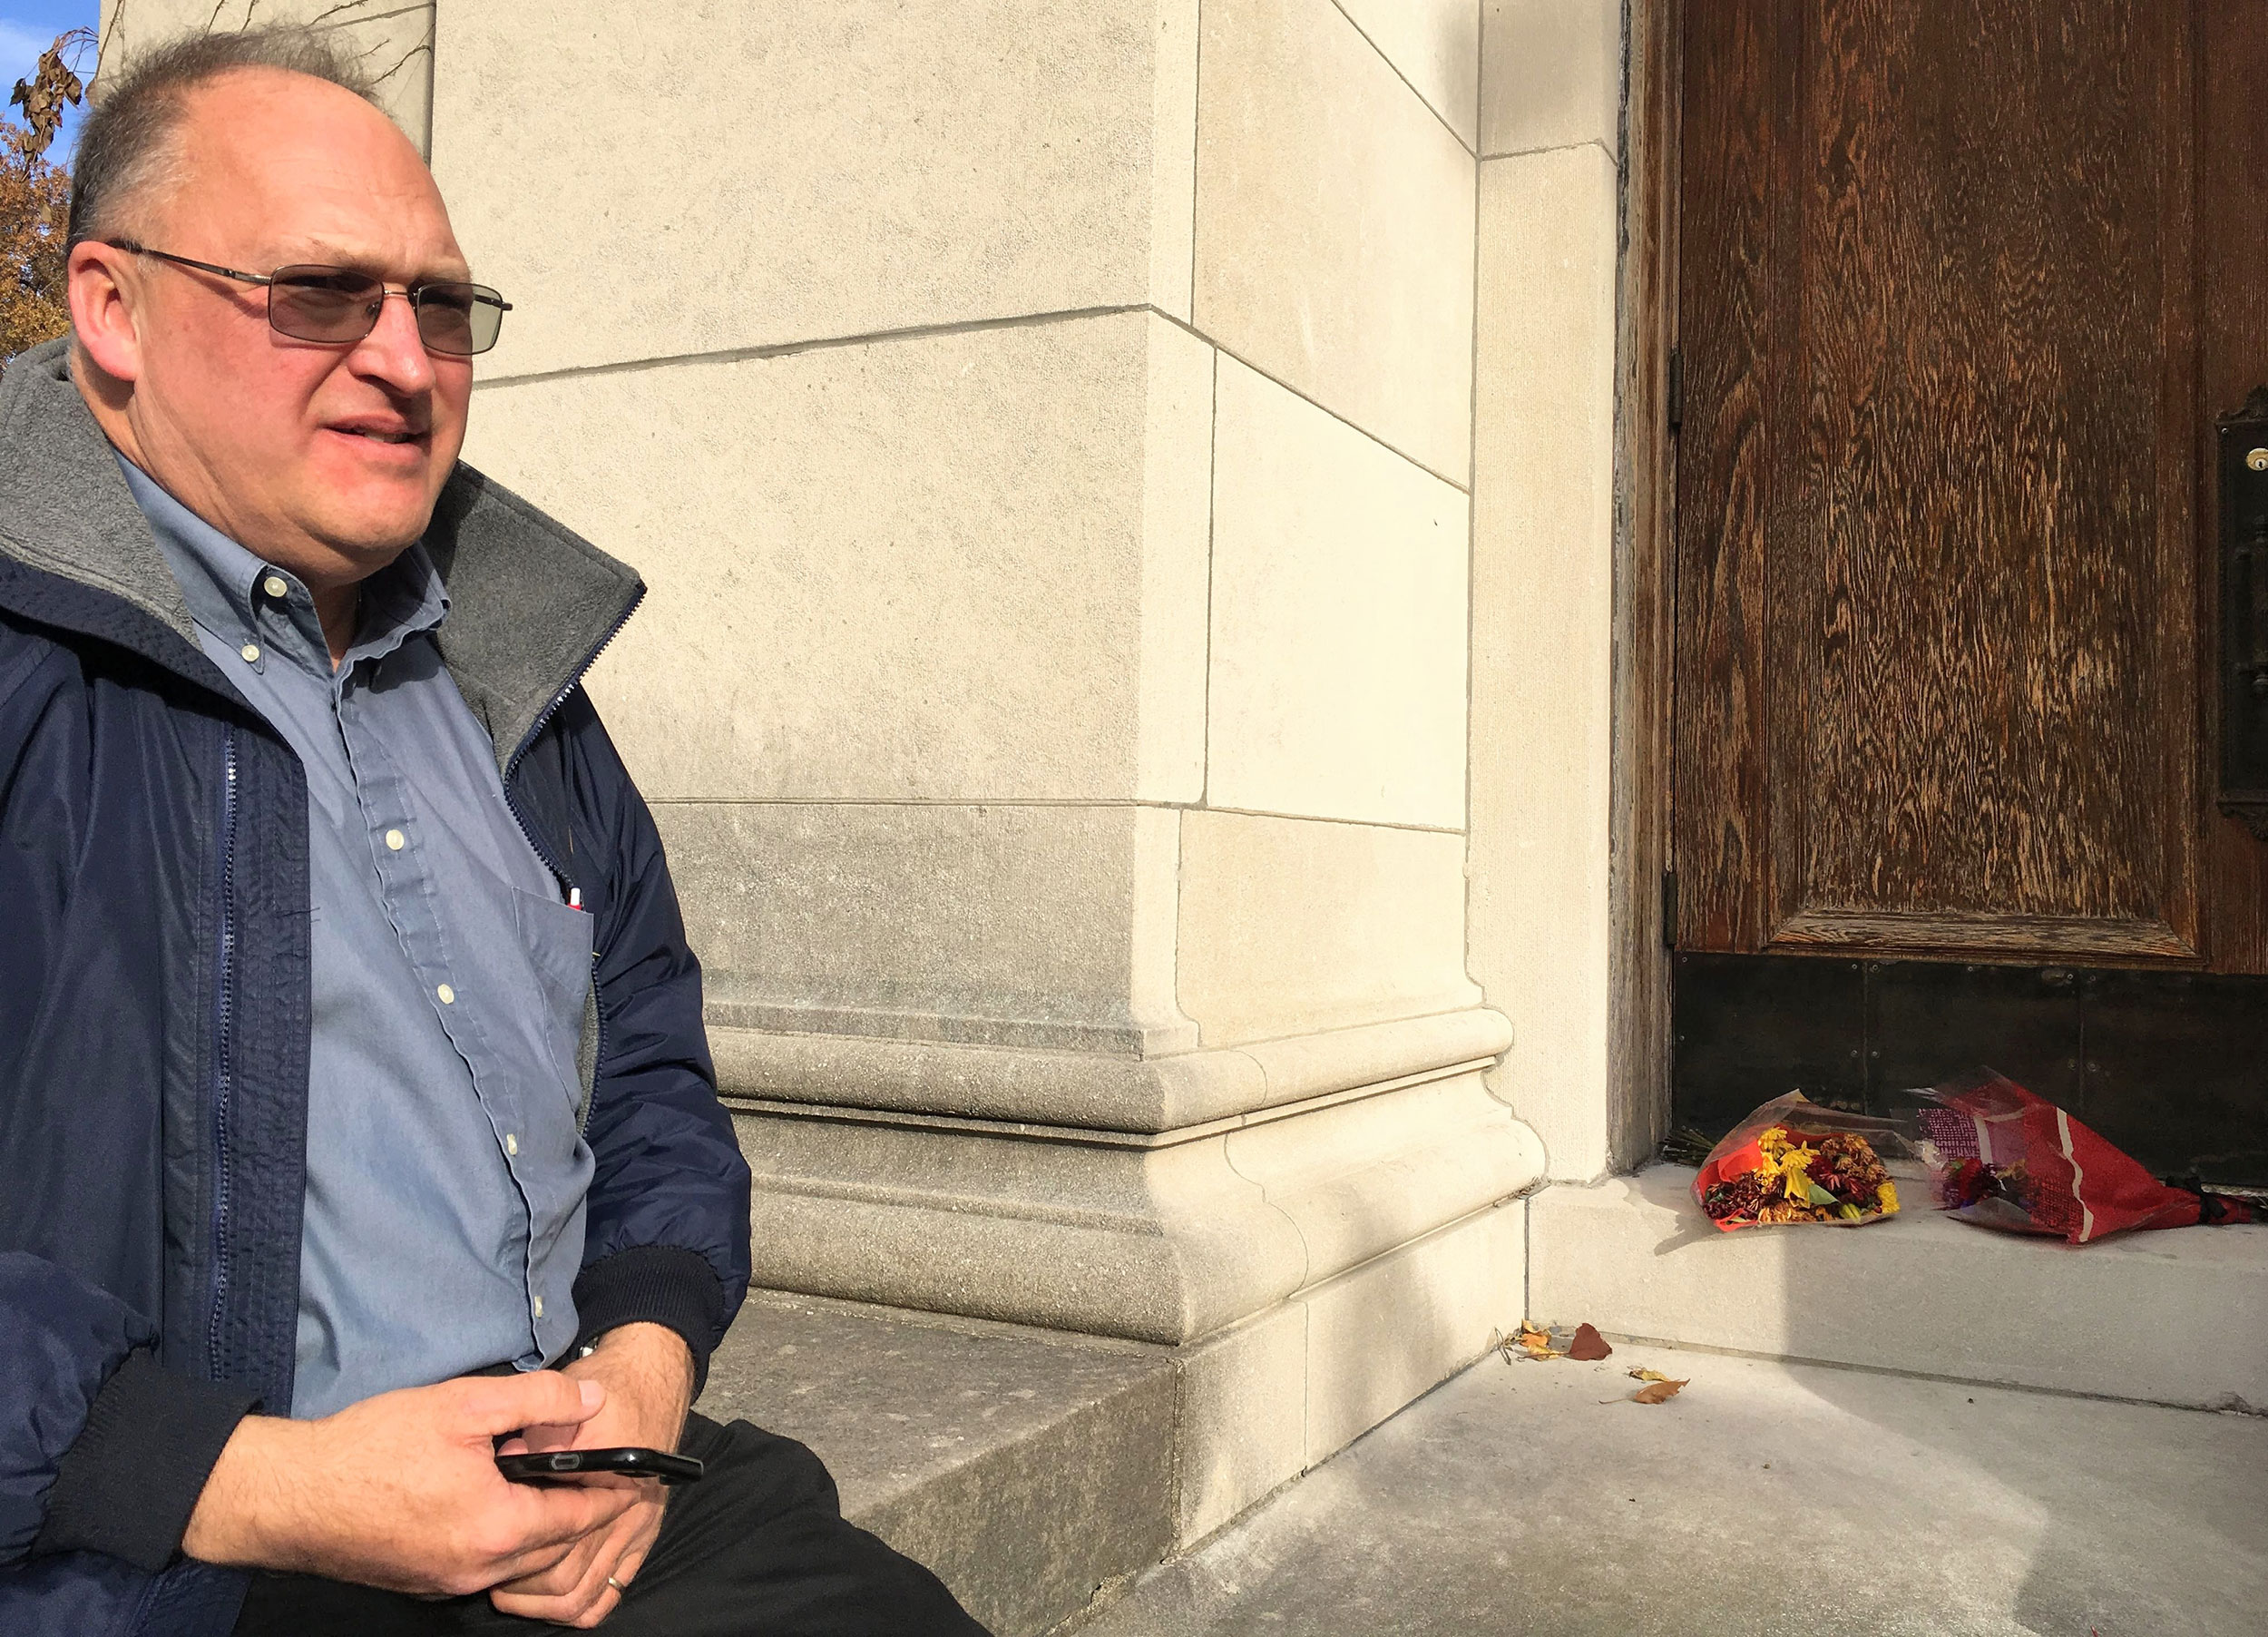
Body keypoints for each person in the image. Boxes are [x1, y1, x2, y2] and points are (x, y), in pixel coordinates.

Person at [0, 25, 987, 1637]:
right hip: (169, 1564)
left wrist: (646, 1356)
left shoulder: (514, 673)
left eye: (441, 306)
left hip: (598, 1493)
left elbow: (649, 1053)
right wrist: (242, 1483)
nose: (405, 362)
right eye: (322, 293)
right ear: (114, 309)